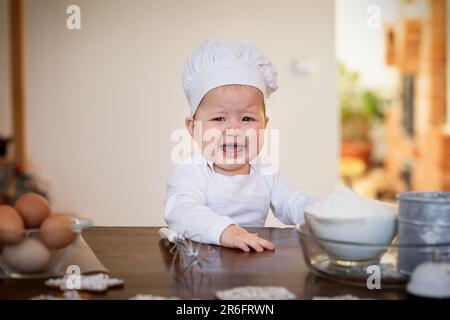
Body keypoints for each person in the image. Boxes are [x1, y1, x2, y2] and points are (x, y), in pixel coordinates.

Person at [164, 38, 314, 252]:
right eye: (218, 119)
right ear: (193, 128)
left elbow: (295, 202)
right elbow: (182, 211)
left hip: (249, 266)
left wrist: (324, 215)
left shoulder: (266, 173)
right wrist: (227, 232)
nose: (234, 130)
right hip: (200, 271)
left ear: (264, 124)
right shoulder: (190, 172)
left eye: (247, 119)